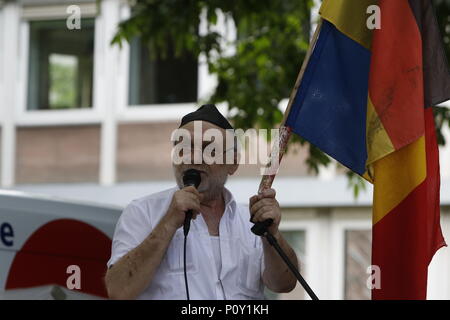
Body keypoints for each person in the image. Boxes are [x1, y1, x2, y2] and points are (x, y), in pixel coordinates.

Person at [105, 104, 299, 299]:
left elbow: (284, 284)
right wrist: (168, 223)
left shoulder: (252, 220)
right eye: (184, 148)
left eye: (209, 149)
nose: (194, 157)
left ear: (232, 163)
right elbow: (119, 290)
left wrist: (272, 234)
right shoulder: (143, 212)